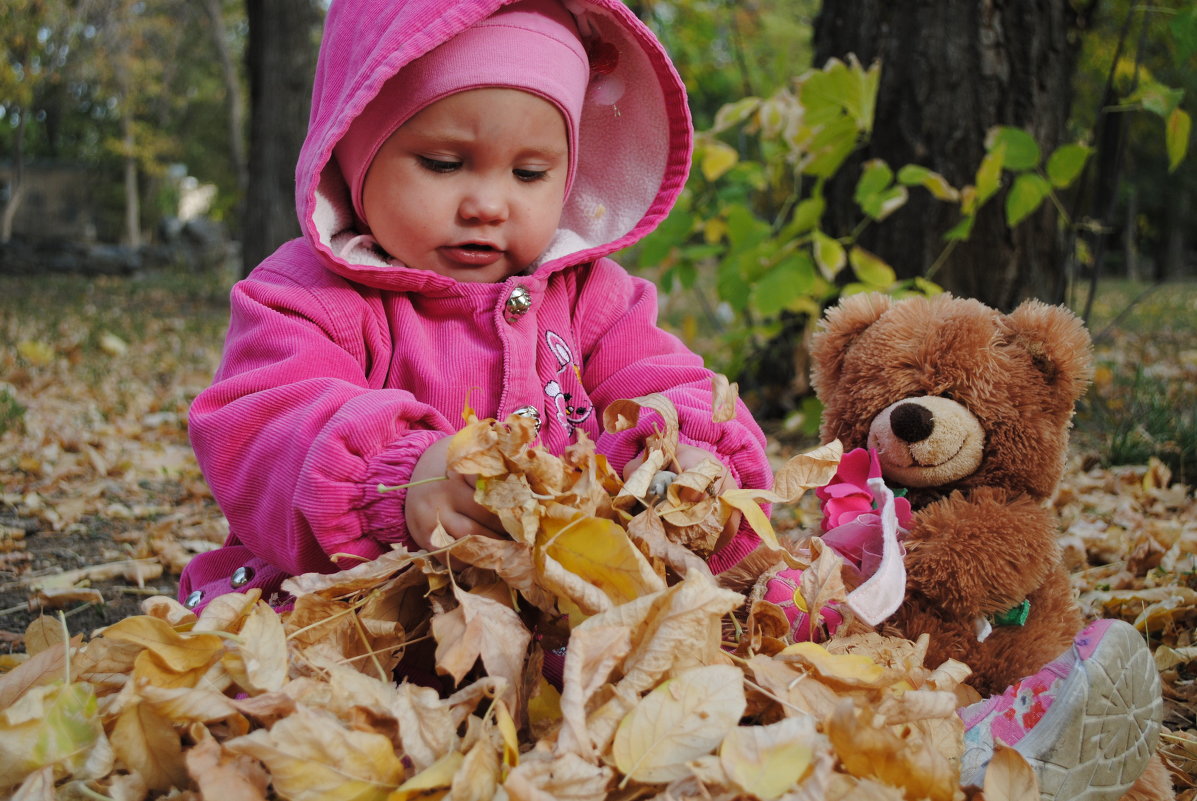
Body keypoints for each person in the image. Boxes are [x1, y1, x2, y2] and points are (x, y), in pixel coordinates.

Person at [176, 0, 772, 614]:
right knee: (289, 666)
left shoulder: (592, 297)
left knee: (747, 615)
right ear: (352, 151)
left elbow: (666, 382)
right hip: (367, 594)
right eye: (443, 163)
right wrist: (399, 480)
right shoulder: (308, 295)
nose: (488, 204)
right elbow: (266, 422)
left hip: (571, 591)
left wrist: (683, 460)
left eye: (531, 173)